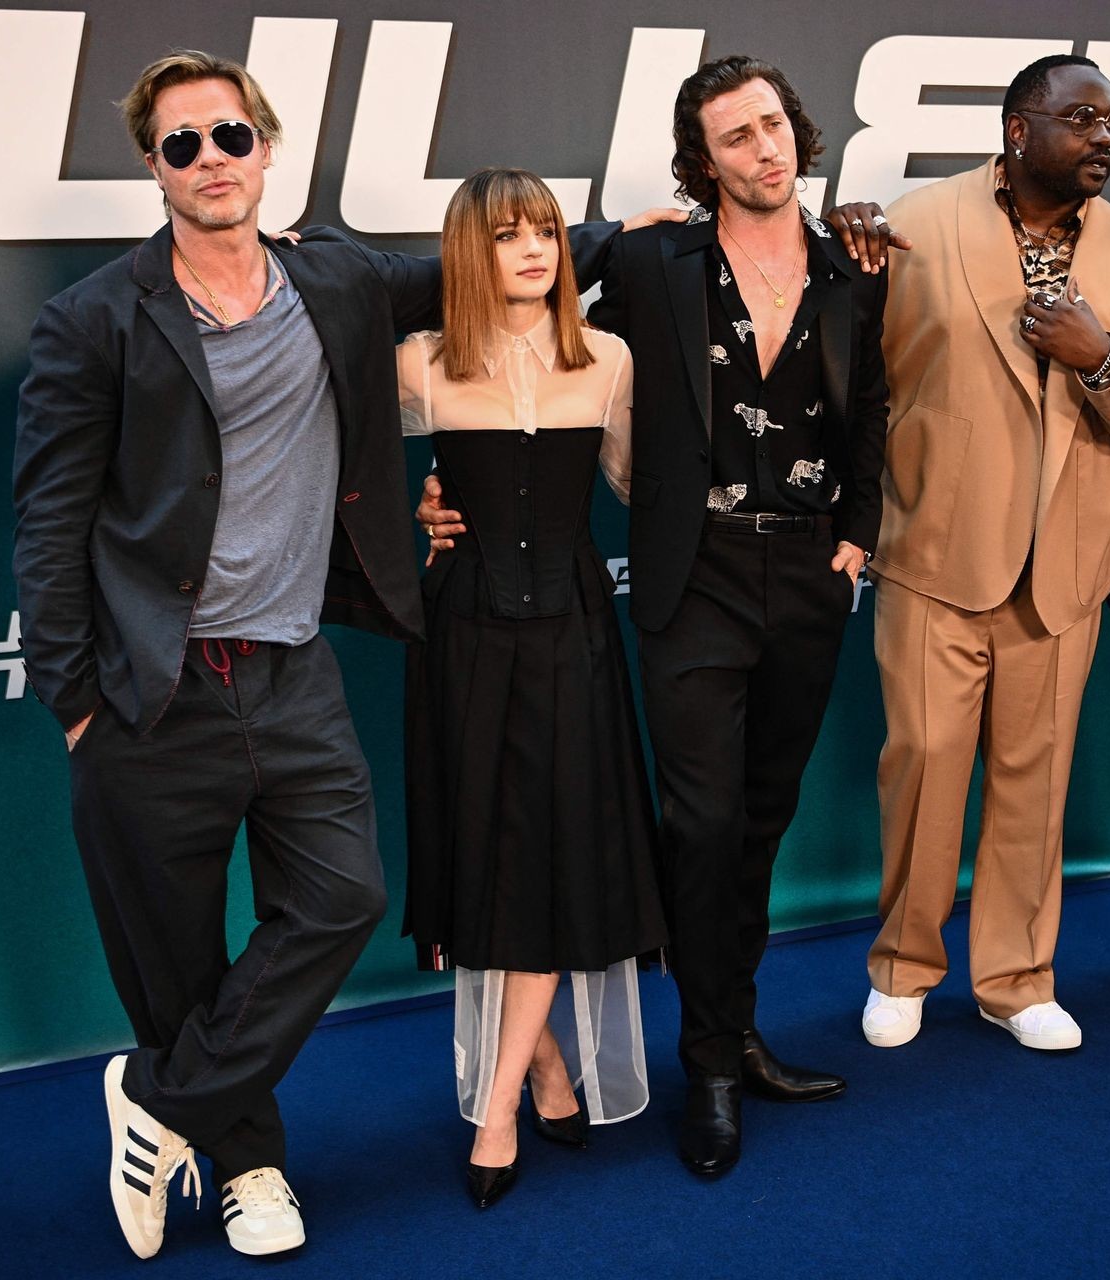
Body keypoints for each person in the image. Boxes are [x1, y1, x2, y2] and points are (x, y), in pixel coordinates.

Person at [12, 51, 629, 1258]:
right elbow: (48, 521)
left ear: (264, 148)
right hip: (152, 689)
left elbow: (491, 258)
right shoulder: (92, 319)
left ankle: (156, 1101)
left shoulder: (336, 279)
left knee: (345, 897)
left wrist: (642, 232)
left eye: (228, 135)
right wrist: (75, 698)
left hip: (292, 669)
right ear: (154, 168)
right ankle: (250, 1169)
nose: (210, 159)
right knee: (176, 958)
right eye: (181, 144)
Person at [419, 54, 891, 1178]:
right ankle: (711, 1067)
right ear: (703, 161)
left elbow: (871, 403)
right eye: (736, 137)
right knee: (705, 823)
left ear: (798, 129)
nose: (764, 149)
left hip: (810, 574)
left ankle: (736, 1029)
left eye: (773, 125)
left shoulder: (853, 262)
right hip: (695, 575)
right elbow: (524, 328)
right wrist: (455, 484)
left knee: (761, 822)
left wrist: (859, 532)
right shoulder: (649, 260)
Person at [838, 54, 1110, 1054]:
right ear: (1016, 129)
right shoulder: (919, 223)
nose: (1104, 138)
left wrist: (1105, 359)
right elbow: (857, 379)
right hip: (935, 553)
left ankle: (1017, 979)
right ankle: (902, 966)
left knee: (1034, 783)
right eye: (1081, 118)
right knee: (922, 767)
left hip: (1065, 565)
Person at [396, 168, 666, 1209]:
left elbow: (641, 485)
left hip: (572, 635)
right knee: (489, 856)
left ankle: (499, 1106)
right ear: (471, 252)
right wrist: (416, 510)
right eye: (509, 235)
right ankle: (548, 1065)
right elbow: (328, 462)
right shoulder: (419, 364)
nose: (535, 251)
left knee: (551, 857)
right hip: (460, 635)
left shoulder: (609, 358)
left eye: (546, 232)